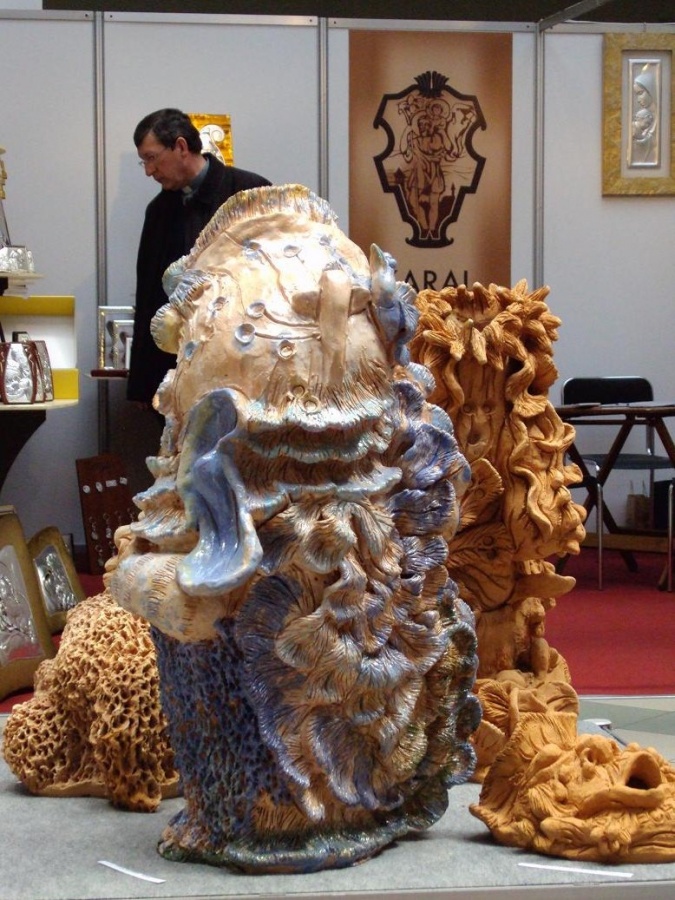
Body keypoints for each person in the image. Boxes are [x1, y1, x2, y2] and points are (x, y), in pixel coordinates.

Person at [127, 108, 271, 405]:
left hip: (246, 361)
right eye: (144, 161)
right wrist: (144, 383)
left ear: (180, 146)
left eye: (152, 158)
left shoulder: (250, 194)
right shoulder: (158, 212)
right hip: (178, 370)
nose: (148, 171)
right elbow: (150, 297)